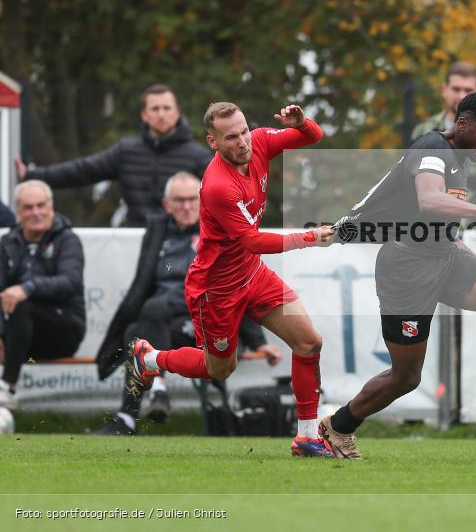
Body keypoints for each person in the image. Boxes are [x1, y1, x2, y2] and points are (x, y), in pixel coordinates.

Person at [325, 91, 476, 460]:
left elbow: (438, 223)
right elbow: (428, 200)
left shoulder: (458, 159)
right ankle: (338, 426)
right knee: (406, 378)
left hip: (445, 257)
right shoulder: (432, 147)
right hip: (406, 270)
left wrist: (474, 261)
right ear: (462, 123)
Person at [128, 102, 336, 457]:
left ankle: (306, 437)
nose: (242, 142)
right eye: (231, 137)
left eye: (244, 131)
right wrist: (309, 237)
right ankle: (150, 358)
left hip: (253, 273)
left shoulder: (259, 141)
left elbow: (313, 137)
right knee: (220, 369)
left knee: (309, 343)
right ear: (213, 142)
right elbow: (252, 240)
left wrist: (302, 123)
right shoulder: (218, 186)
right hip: (217, 290)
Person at [94, 172, 282, 435]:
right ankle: (143, 404)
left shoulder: (223, 229)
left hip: (204, 326)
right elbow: (141, 283)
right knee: (138, 327)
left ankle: (137, 409)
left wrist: (258, 341)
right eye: (179, 200)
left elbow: (242, 285)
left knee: (144, 323)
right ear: (166, 205)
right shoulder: (158, 232)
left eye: (192, 199)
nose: (186, 206)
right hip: (163, 323)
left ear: (203, 200)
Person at [16, 84, 211, 226]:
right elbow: (83, 170)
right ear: (144, 114)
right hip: (136, 238)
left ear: (177, 112)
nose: (161, 114)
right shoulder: (126, 151)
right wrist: (32, 176)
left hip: (182, 242)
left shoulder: (198, 156)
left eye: (166, 108)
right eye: (155, 108)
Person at [0, 181, 85, 408]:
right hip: (18, 334)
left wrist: (27, 288)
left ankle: (7, 387)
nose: (35, 212)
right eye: (28, 207)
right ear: (18, 212)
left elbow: (70, 282)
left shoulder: (68, 240)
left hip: (64, 329)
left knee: (22, 304)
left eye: (41, 205)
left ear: (51, 208)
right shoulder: (7, 242)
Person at [412, 62, 476, 207]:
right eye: (456, 89)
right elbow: (411, 181)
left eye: (468, 90)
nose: (461, 95)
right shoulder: (424, 131)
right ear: (445, 90)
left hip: (474, 217)